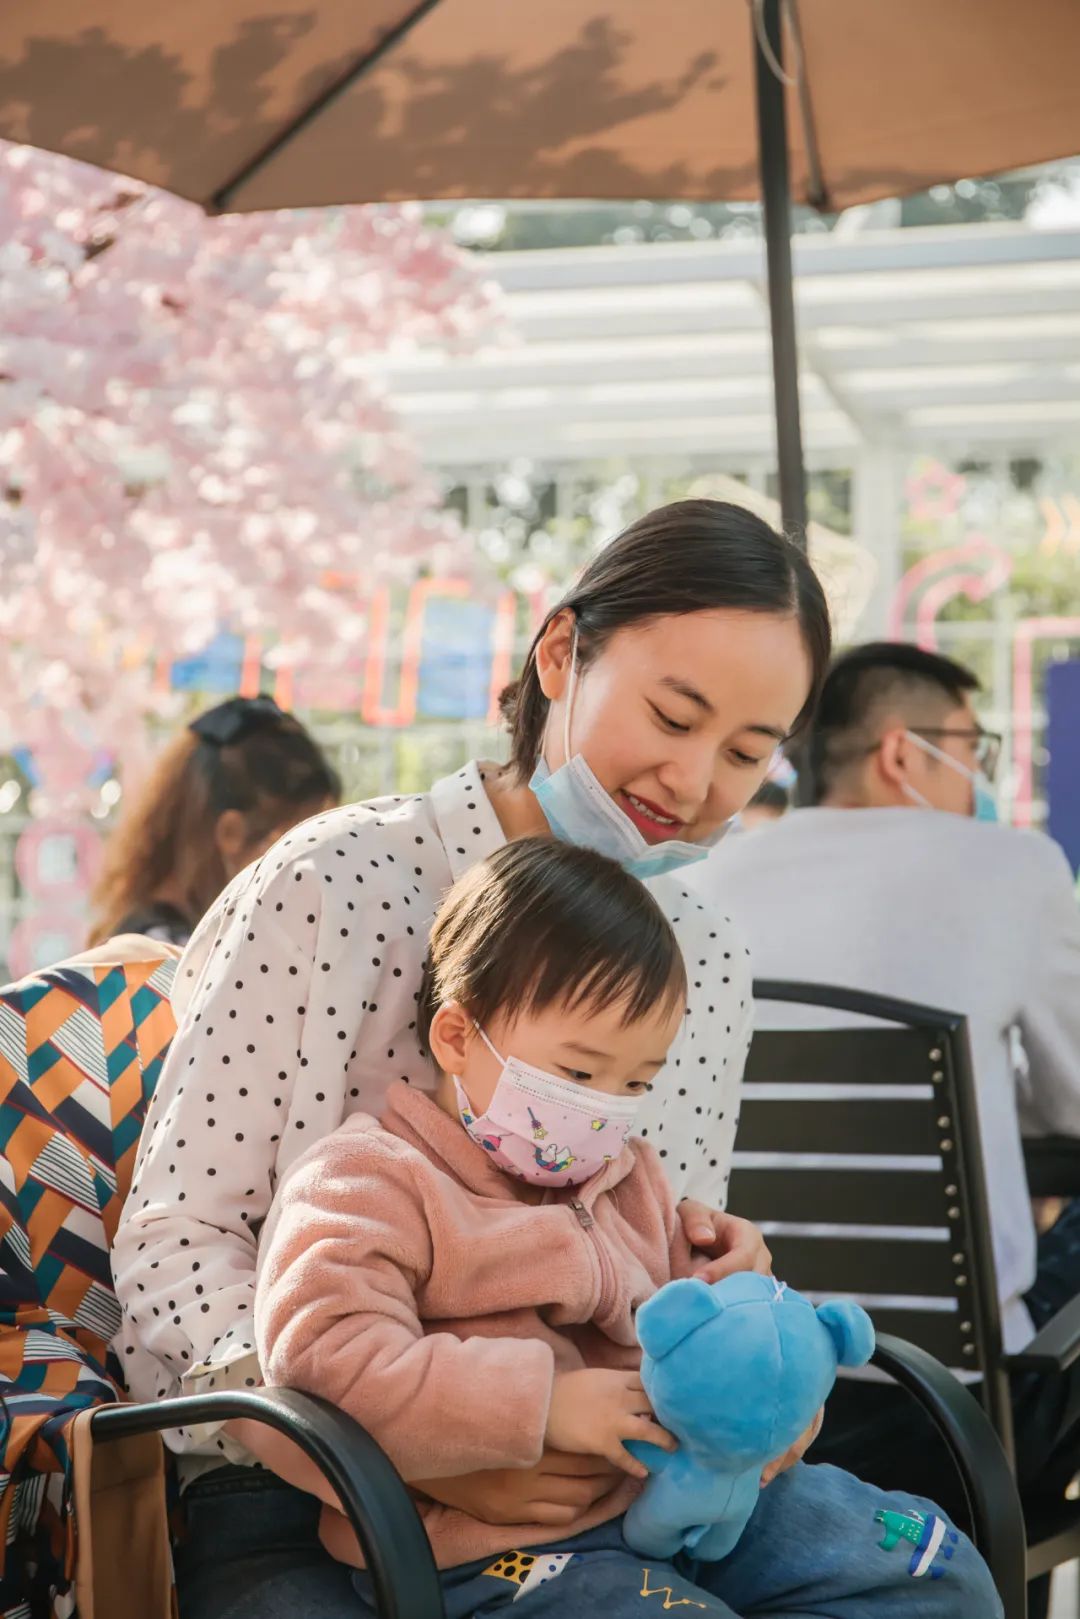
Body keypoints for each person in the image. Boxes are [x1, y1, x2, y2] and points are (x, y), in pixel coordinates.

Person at [112, 499, 832, 1617]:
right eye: (673, 715)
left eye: (746, 751)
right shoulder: (340, 882)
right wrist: (403, 1439)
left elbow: (647, 1256)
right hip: (304, 1487)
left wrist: (719, 1286)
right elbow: (174, 1240)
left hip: (614, 1486)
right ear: (561, 653)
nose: (694, 782)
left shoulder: (710, 955)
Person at [244, 838, 999, 1619]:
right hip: (501, 1550)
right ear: (458, 1037)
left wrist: (773, 1386)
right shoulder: (368, 1179)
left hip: (693, 1502)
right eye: (578, 1073)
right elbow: (324, 1361)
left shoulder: (631, 1177)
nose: (606, 1106)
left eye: (637, 1080)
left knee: (938, 1573)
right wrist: (542, 1405)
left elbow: (711, 1336)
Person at [689, 642, 1080, 1548]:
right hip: (958, 1412)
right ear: (904, 752)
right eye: (973, 750)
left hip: (756, 1395)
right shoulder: (1013, 865)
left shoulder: (706, 882)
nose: (980, 779)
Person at [88, 695, 341, 947]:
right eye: (295, 847)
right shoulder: (169, 953)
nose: (308, 873)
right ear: (231, 832)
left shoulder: (149, 935)